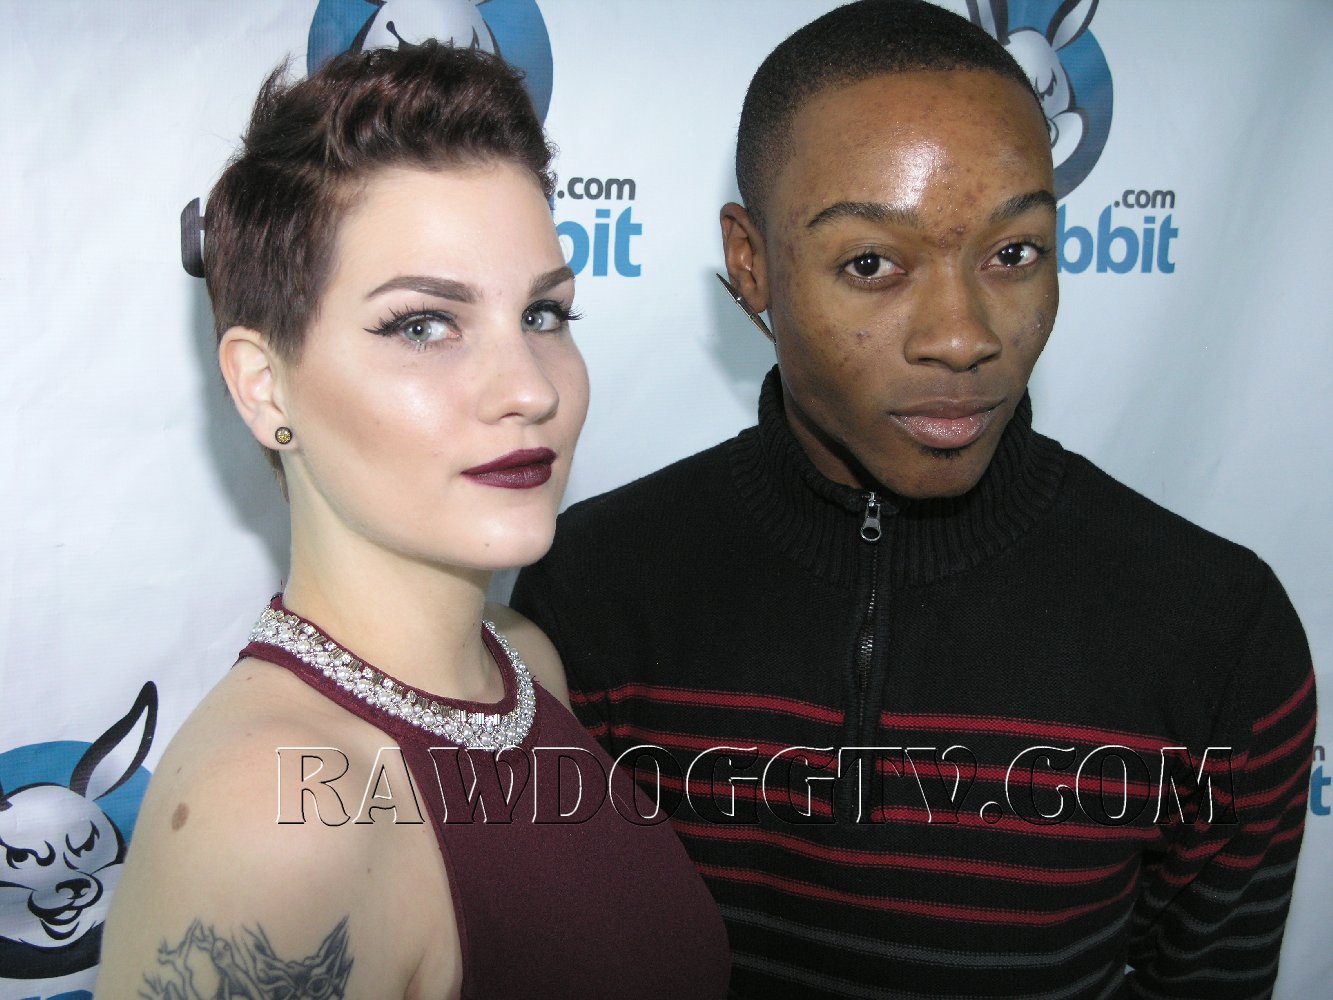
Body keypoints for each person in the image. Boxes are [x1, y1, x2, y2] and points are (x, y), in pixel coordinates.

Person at [511, 2, 1316, 997]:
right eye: (871, 264)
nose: (961, 336)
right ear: (752, 264)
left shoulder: (1217, 630)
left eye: (1013, 253)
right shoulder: (589, 590)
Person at [96, 42, 729, 1000]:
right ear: (264, 386)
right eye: (422, 325)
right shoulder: (270, 816)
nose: (529, 390)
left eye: (544, 314)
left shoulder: (525, 663)